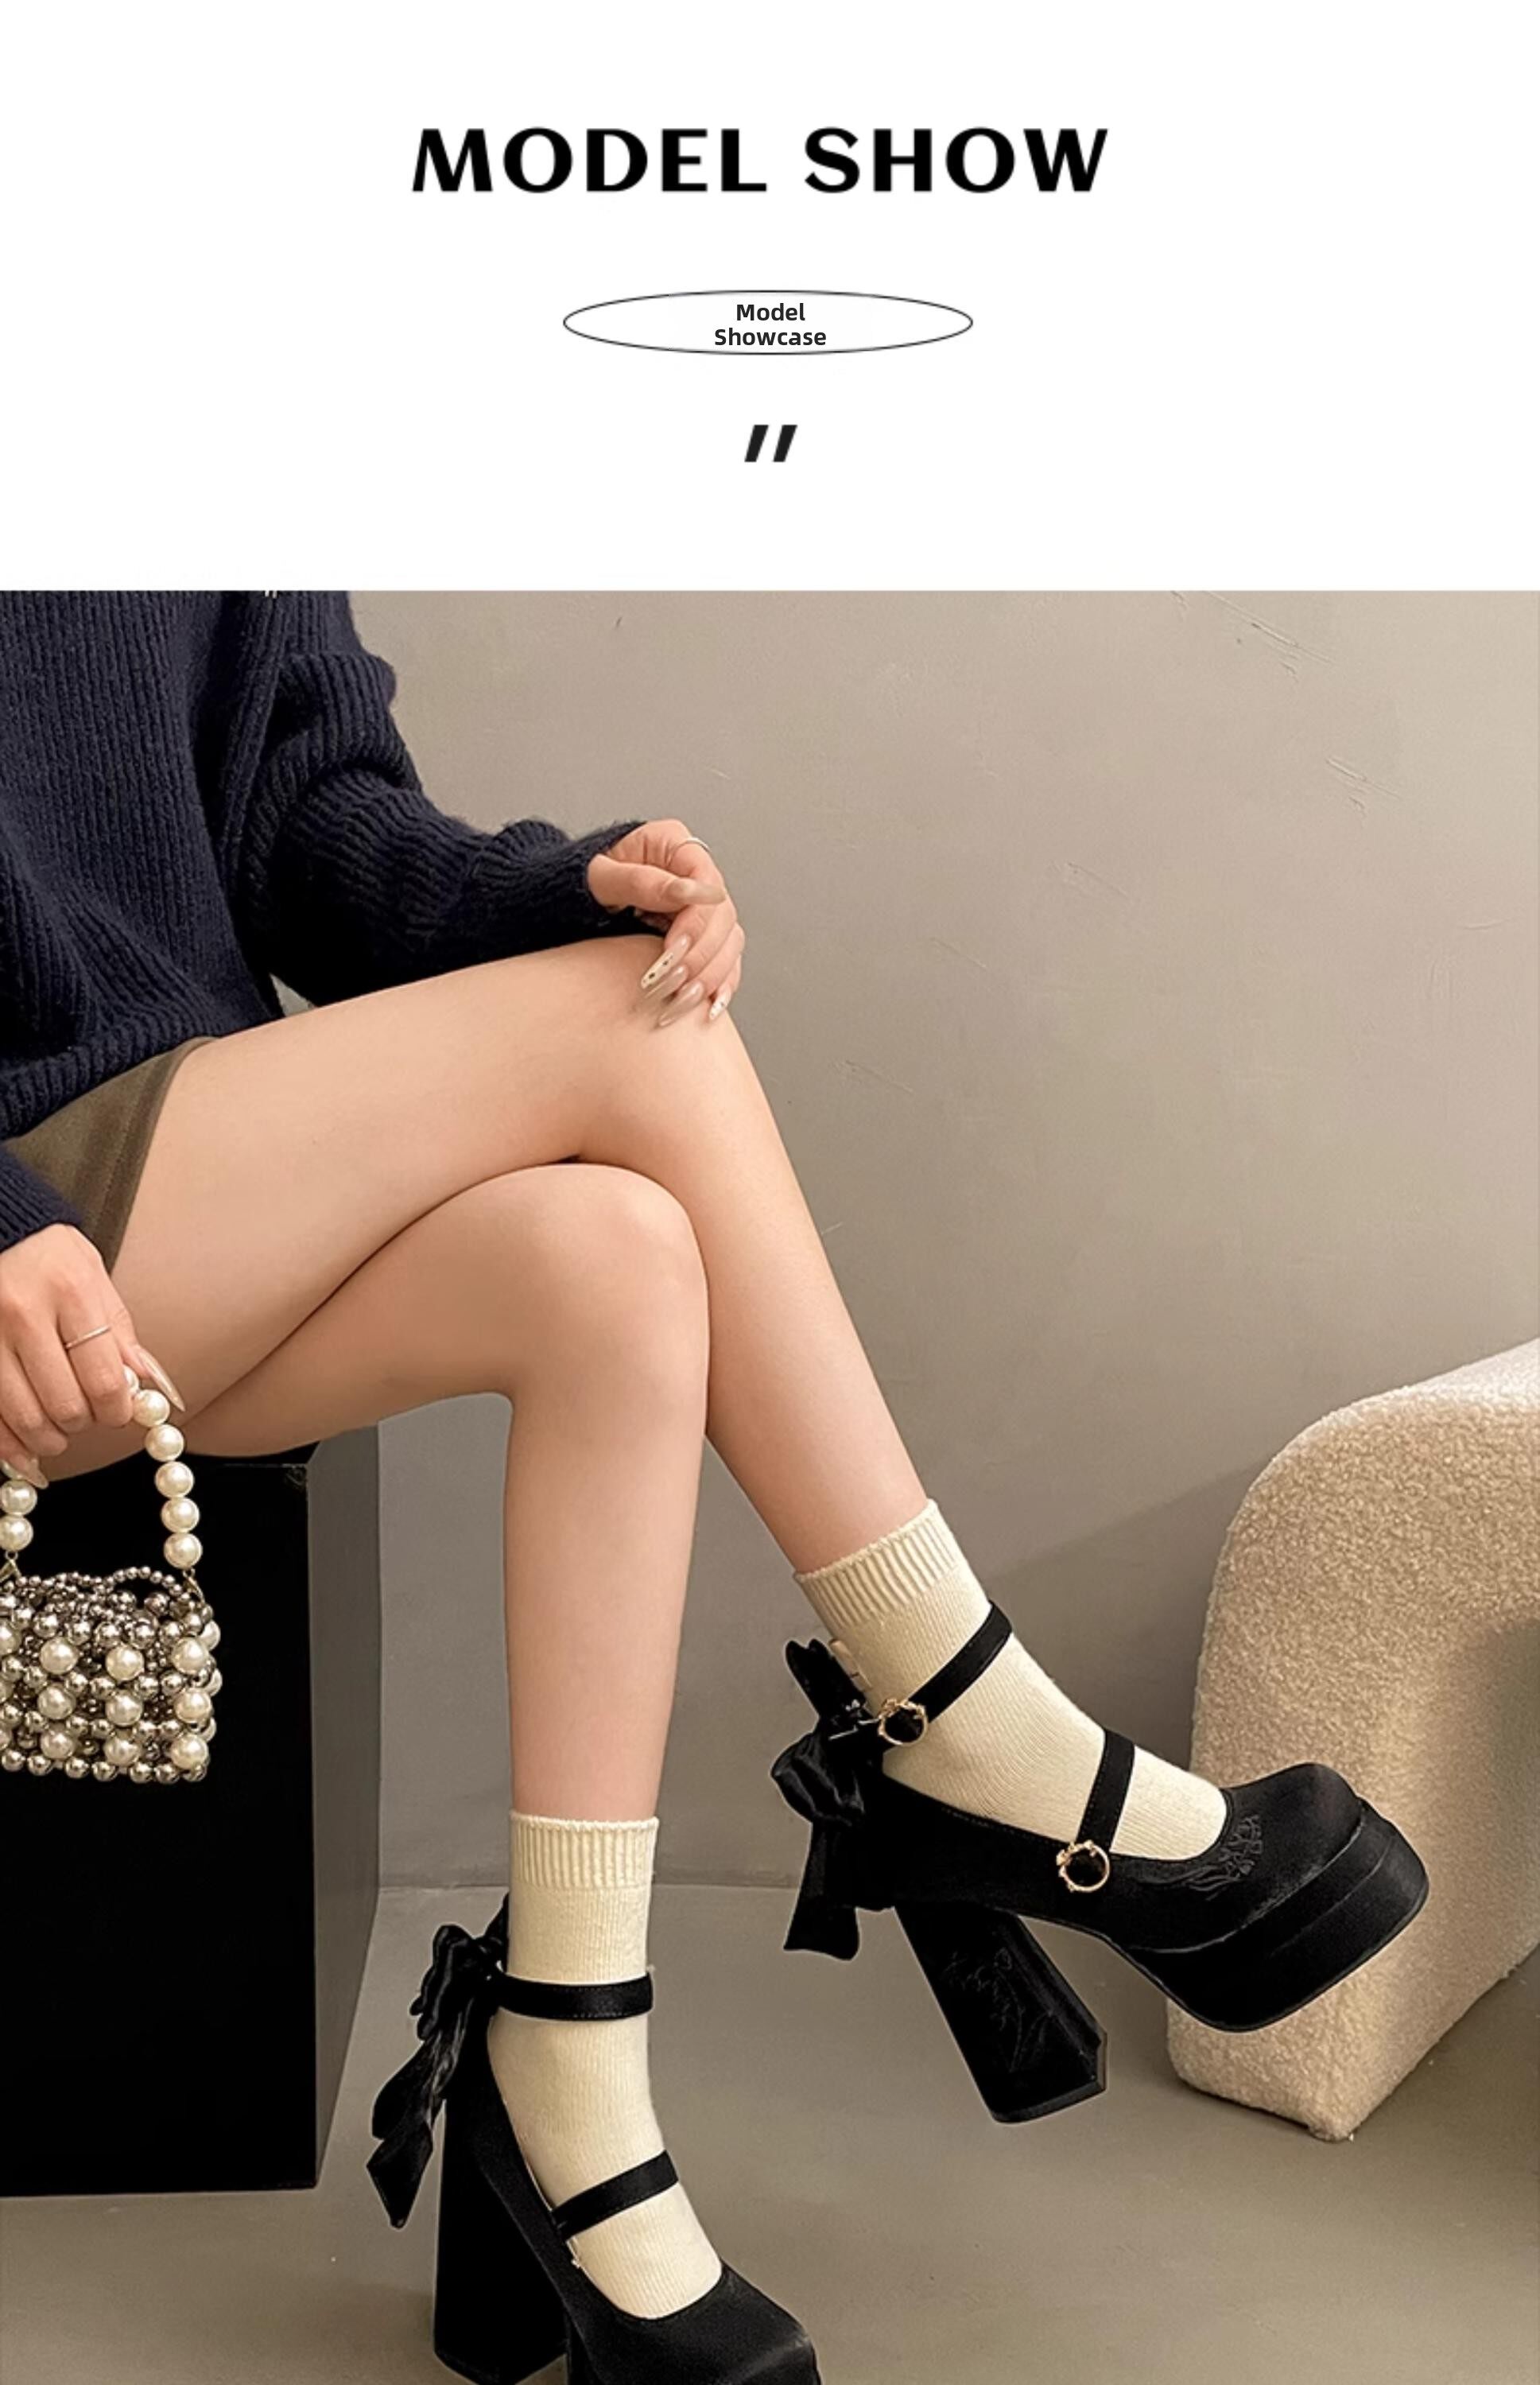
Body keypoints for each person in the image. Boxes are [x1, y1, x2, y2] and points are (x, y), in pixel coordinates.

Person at [0, 592, 1426, 2385]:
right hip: (26, 1217)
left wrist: (556, 893)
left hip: (160, 1225)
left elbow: (301, 816)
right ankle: (976, 1733)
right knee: (630, 1029)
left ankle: (562, 2063)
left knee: (616, 1261)